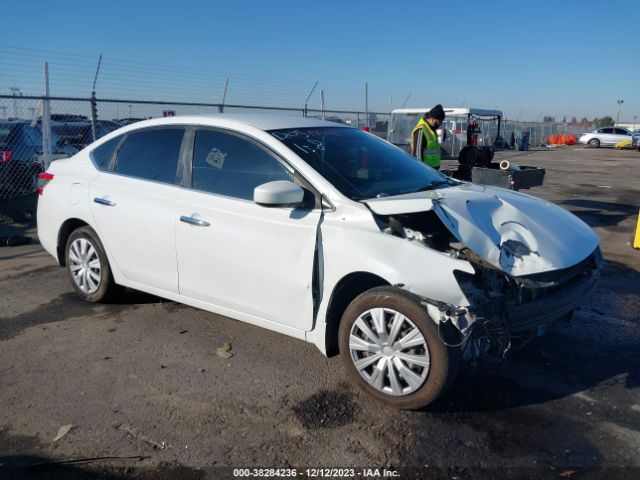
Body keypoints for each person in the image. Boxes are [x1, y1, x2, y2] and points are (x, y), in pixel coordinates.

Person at [410, 104, 445, 170]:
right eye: (439, 121)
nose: (441, 123)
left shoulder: (433, 128)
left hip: (434, 168)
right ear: (432, 119)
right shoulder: (421, 130)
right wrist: (421, 171)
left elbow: (437, 143)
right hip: (425, 170)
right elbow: (417, 154)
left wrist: (443, 134)